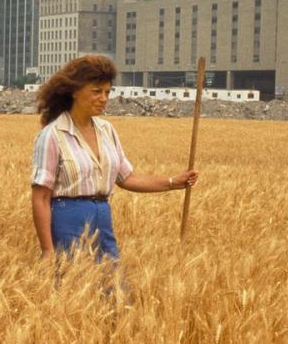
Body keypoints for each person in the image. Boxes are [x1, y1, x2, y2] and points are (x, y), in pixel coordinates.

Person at [30, 55, 198, 274]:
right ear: (74, 90)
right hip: (67, 217)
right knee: (71, 287)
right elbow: (40, 196)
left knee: (113, 288)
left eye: (108, 92)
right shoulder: (52, 135)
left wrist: (173, 182)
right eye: (96, 91)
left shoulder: (107, 130)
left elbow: (127, 178)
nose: (104, 98)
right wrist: (47, 250)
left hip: (103, 217)